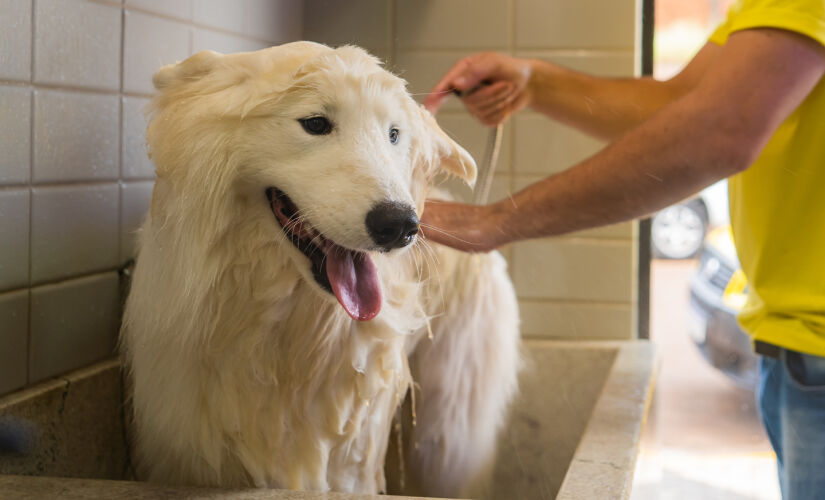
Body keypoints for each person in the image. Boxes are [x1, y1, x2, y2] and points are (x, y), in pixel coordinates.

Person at [420, 1, 825, 499]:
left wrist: (494, 221)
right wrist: (534, 82)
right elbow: (683, 102)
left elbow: (722, 128)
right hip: (797, 351)